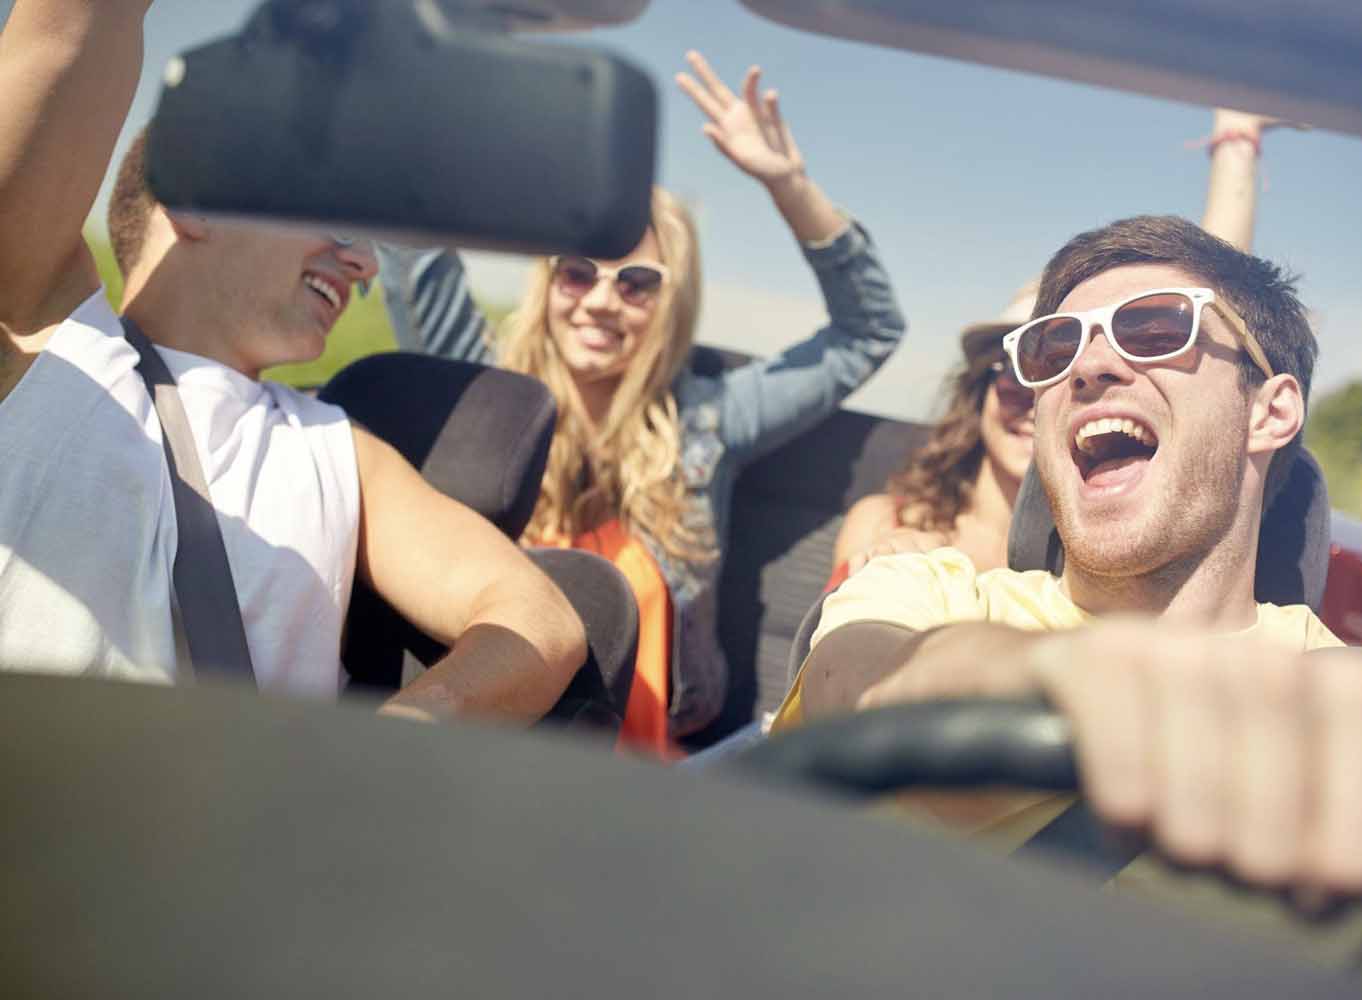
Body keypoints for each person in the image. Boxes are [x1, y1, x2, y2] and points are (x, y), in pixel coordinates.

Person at [775, 214, 1362, 978]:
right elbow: (855, 682)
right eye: (1054, 349)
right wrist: (1062, 681)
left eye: (1155, 329)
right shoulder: (927, 592)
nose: (1088, 366)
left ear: (1271, 410)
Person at [0, 0, 586, 724]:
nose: (366, 261)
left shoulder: (338, 447)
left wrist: (385, 747)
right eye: (333, 206)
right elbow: (71, 27)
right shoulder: (41, 338)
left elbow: (539, 620)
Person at [376, 52, 906, 755]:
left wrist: (788, 185)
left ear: (670, 304)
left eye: (636, 284)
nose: (600, 301)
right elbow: (410, 250)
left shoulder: (711, 420)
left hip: (648, 766)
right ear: (548, 283)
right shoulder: (484, 388)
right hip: (480, 747)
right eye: (576, 273)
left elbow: (867, 331)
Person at [832, 110, 1290, 581]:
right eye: (1032, 363)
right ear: (980, 392)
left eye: (1144, 341)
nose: (1053, 388)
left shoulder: (1106, 561)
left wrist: (1236, 146)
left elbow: (1214, 313)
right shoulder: (883, 525)